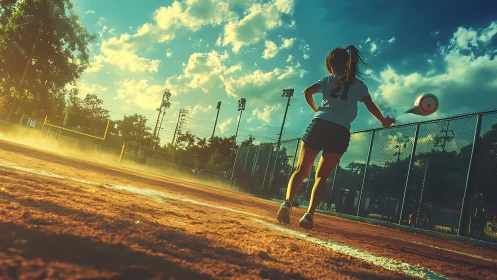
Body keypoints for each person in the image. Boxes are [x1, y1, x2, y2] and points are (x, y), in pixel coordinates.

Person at [276, 45, 395, 229]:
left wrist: (318, 110)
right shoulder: (359, 84)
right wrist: (382, 120)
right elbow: (369, 104)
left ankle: (286, 204)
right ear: (347, 64)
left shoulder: (327, 80)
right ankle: (308, 215)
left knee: (301, 170)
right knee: (321, 177)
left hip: (320, 123)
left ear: (331, 65)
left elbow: (306, 92)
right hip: (340, 130)